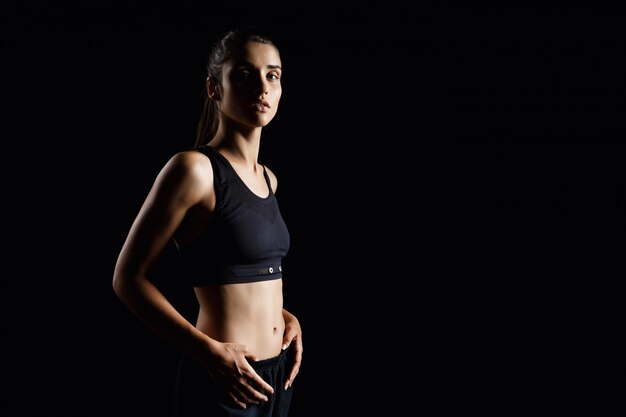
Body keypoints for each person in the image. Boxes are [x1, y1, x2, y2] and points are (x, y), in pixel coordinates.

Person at [112, 25, 302, 417]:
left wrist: (284, 316)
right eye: (245, 75)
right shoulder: (194, 170)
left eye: (273, 75)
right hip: (225, 381)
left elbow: (243, 273)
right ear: (215, 88)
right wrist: (209, 352)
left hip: (277, 377)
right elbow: (127, 278)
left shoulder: (270, 178)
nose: (262, 88)